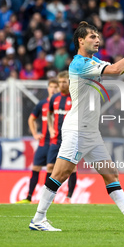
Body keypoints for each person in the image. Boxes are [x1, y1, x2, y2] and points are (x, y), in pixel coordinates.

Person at [29, 21, 124, 232]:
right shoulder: (80, 64)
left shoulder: (92, 61)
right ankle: (38, 218)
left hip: (90, 130)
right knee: (61, 174)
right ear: (80, 40)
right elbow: (116, 69)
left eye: (98, 36)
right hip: (77, 128)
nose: (97, 39)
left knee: (110, 173)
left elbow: (120, 69)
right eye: (92, 37)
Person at [16, 78, 59, 204]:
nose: (53, 89)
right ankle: (29, 197)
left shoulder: (61, 103)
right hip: (43, 142)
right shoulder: (42, 104)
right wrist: (35, 133)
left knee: (51, 169)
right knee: (36, 168)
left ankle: (46, 198)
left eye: (55, 87)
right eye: (51, 86)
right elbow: (31, 119)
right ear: (48, 88)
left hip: (56, 142)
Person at [46, 71, 77, 204]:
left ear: (69, 82)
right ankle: (49, 197)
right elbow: (49, 114)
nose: (62, 84)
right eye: (60, 82)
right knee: (49, 167)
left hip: (70, 138)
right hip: (56, 138)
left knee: (72, 168)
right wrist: (51, 128)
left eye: (64, 82)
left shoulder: (75, 97)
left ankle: (68, 197)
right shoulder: (55, 98)